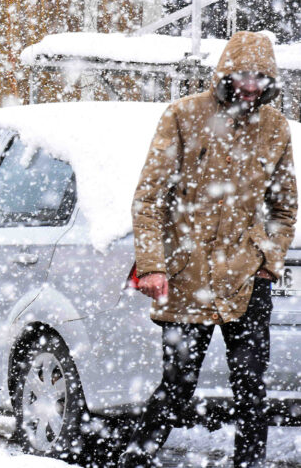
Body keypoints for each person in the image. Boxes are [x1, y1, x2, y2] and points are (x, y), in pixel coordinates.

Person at [122, 31, 297, 468]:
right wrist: (153, 266)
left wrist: (268, 260)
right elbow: (148, 199)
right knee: (179, 383)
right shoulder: (184, 115)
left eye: (260, 76)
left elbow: (284, 206)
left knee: (251, 386)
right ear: (225, 73)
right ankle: (136, 460)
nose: (251, 85)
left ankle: (249, 463)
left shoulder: (275, 127)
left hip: (245, 278)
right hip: (187, 278)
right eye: (243, 75)